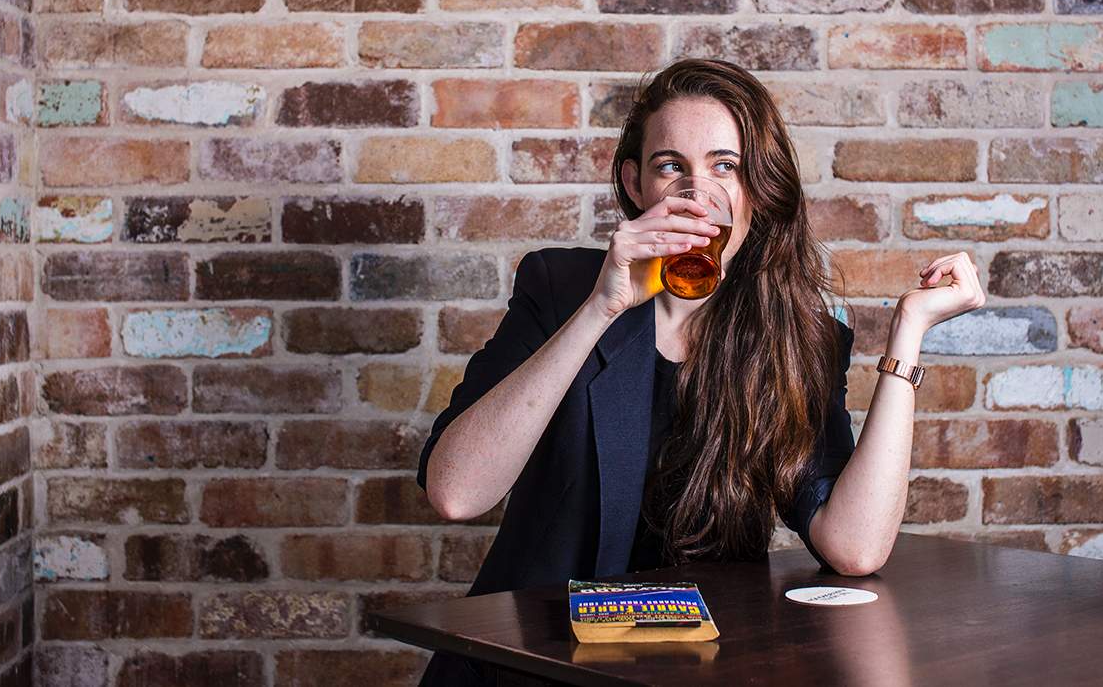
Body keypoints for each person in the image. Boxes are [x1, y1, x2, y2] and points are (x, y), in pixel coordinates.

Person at [413, 58, 986, 686]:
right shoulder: (561, 287)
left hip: (698, 670)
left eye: (724, 166)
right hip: (535, 671)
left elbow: (854, 548)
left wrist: (909, 331)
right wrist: (600, 309)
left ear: (756, 192)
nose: (697, 192)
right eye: (671, 167)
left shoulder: (799, 337)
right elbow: (455, 493)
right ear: (635, 185)